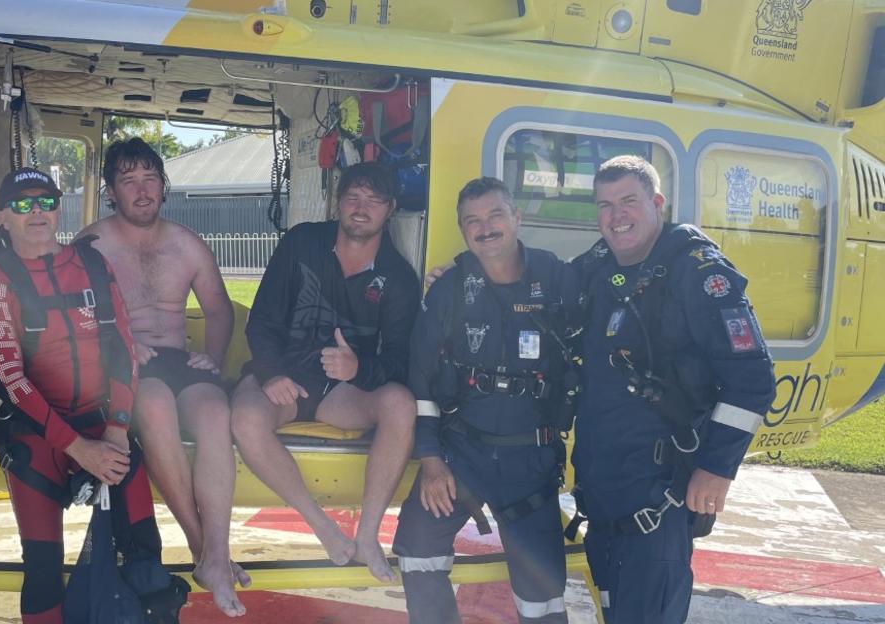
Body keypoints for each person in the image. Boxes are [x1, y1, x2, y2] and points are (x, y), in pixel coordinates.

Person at [571, 155, 777, 623]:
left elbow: (753, 379)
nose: (616, 216)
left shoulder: (699, 272)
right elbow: (545, 289)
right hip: (605, 493)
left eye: (628, 201)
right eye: (605, 205)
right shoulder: (600, 265)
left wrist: (717, 467)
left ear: (657, 203)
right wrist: (461, 276)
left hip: (658, 497)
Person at [0, 167, 168, 624]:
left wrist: (118, 430)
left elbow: (123, 348)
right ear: (3, 217)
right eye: (22, 204)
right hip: (36, 435)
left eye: (46, 201)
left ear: (60, 208)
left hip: (105, 424)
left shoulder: (94, 264)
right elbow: (10, 379)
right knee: (41, 567)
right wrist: (80, 449)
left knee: (144, 553)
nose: (36, 212)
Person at [392, 177, 579, 624]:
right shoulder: (449, 289)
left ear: (516, 217)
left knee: (543, 595)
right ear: (462, 230)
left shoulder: (560, 279)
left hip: (530, 461)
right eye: (473, 221)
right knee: (416, 547)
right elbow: (421, 381)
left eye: (495, 215)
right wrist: (432, 461)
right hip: (462, 457)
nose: (485, 228)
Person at [77, 137, 248, 616]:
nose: (142, 189)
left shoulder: (186, 242)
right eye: (129, 181)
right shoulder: (92, 242)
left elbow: (217, 311)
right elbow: (75, 318)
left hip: (176, 357)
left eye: (150, 178)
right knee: (153, 403)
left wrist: (212, 357)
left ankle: (217, 549)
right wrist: (121, 345)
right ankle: (205, 551)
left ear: (163, 185)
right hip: (122, 365)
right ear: (112, 191)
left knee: (216, 412)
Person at [231, 161, 420, 582]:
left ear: (390, 209)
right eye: (352, 196)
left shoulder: (400, 279)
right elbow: (261, 320)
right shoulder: (301, 241)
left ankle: (368, 535)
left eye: (373, 201)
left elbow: (400, 362)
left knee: (401, 404)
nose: (360, 207)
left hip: (343, 391)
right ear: (338, 201)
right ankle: (322, 526)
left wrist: (359, 368)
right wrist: (271, 373)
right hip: (286, 378)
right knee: (244, 418)